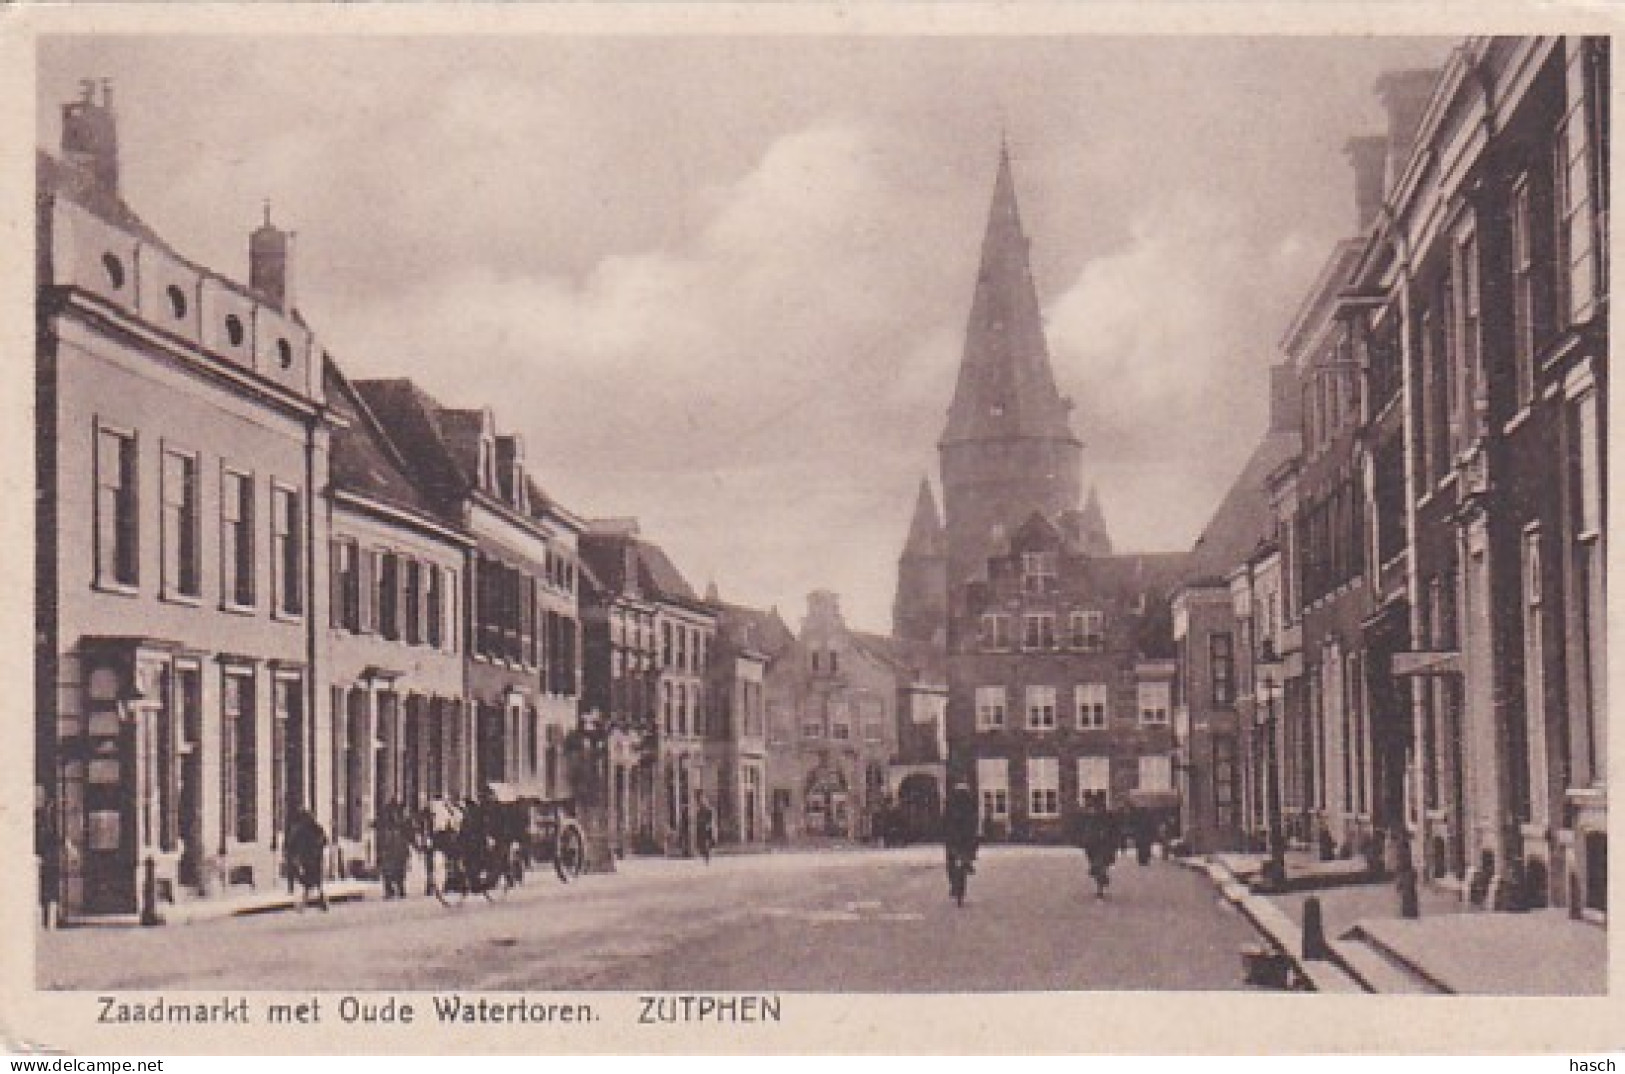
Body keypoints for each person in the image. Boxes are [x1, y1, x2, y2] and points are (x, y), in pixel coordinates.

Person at [942, 781, 979, 906]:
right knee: (966, 855)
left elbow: (944, 820)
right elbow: (974, 820)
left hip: (954, 837)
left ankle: (954, 884)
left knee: (950, 861)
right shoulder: (970, 803)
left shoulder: (950, 803)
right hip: (965, 837)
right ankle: (968, 863)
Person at [1074, 791, 1117, 898]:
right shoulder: (1086, 815)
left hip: (1103, 845)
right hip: (1091, 844)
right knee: (1096, 865)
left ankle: (1100, 887)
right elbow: (1080, 828)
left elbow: (1114, 830)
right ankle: (1101, 882)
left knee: (1098, 865)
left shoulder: (1106, 815)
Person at [285, 809, 329, 912]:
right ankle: (317, 902)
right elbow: (324, 840)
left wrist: (293, 855)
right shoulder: (313, 828)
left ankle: (305, 903)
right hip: (312, 858)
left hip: (308, 859)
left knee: (308, 882)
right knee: (313, 882)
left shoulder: (304, 829)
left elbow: (291, 844)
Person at [377, 802, 412, 900]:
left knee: (398, 871)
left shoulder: (403, 823)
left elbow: (409, 836)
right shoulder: (389, 824)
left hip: (398, 850)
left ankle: (398, 890)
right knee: (388, 871)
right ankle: (391, 890)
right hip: (392, 851)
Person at [695, 792, 716, 865]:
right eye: (700, 800)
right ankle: (705, 856)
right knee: (701, 845)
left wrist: (709, 826)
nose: (702, 802)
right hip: (700, 829)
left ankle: (707, 857)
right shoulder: (699, 810)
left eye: (703, 800)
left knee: (707, 844)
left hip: (707, 829)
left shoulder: (709, 810)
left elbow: (711, 820)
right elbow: (697, 819)